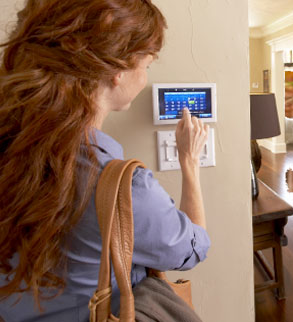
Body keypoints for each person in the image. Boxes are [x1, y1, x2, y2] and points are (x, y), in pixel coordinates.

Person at [0, 0, 210, 321]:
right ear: (118, 70)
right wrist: (189, 162)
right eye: (147, 64)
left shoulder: (9, 144)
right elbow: (192, 250)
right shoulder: (118, 185)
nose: (144, 76)